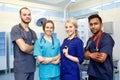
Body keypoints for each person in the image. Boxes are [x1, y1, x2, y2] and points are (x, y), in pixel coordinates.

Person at [84, 14, 115, 80]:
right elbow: (84, 55)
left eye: (95, 24)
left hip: (104, 75)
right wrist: (91, 55)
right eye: (91, 24)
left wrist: (89, 54)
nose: (93, 26)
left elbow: (101, 58)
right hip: (92, 75)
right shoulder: (90, 40)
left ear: (101, 24)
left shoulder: (106, 38)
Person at [11, 7, 37, 80]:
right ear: (20, 16)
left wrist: (28, 48)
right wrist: (33, 46)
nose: (27, 16)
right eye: (24, 15)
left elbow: (37, 49)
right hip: (21, 69)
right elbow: (24, 48)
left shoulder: (33, 33)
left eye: (29, 14)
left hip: (31, 67)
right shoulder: (16, 29)